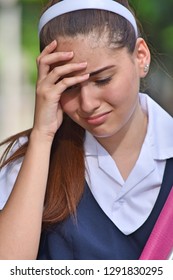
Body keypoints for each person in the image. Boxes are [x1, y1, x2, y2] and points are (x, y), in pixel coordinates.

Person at [0, 0, 173, 260]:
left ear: (140, 56)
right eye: (68, 86)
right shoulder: (31, 157)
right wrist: (42, 136)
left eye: (102, 79)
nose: (88, 104)